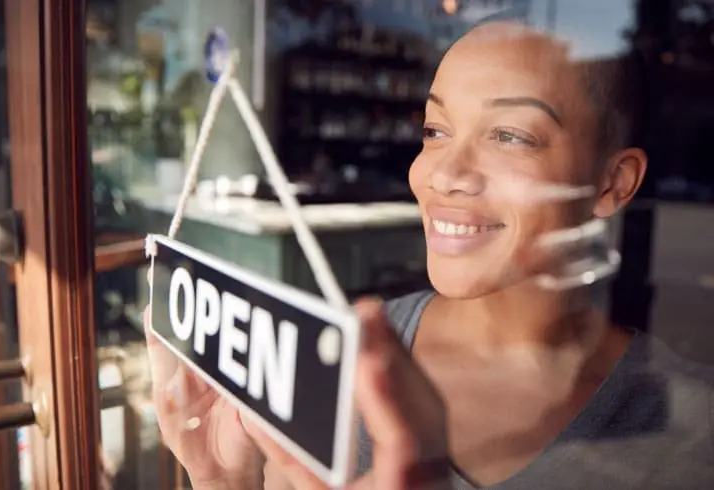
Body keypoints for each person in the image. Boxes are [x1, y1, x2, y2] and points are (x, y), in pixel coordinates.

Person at [146, 20, 714, 489]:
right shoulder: (337, 359)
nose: (441, 174)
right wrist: (226, 483)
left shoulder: (690, 433)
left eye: (509, 135)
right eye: (435, 130)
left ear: (613, 182)